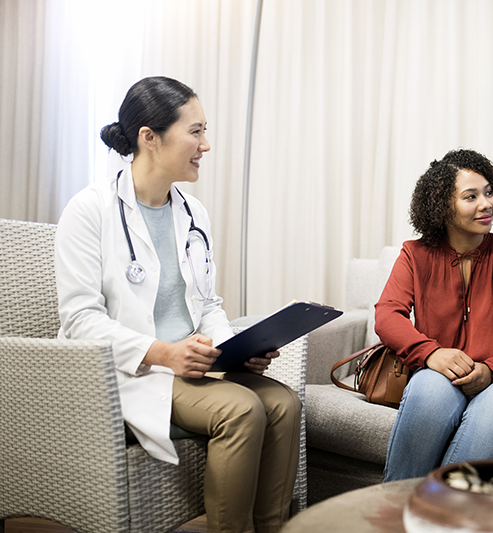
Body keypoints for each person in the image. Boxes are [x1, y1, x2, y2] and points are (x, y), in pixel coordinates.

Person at [55, 76, 301, 533]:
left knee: (284, 403)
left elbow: (207, 303)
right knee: (241, 408)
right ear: (149, 138)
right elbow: (79, 321)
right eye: (195, 131)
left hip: (192, 364)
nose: (205, 144)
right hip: (131, 373)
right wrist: (166, 352)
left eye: (204, 131)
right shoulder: (89, 210)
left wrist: (236, 347)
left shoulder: (192, 212)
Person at [375, 149, 493, 481]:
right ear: (442, 206)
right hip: (443, 373)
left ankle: (445, 517)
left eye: (489, 192)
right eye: (471, 196)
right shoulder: (414, 254)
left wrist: (489, 370)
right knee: (429, 387)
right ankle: (394, 513)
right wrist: (432, 354)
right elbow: (387, 315)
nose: (487, 203)